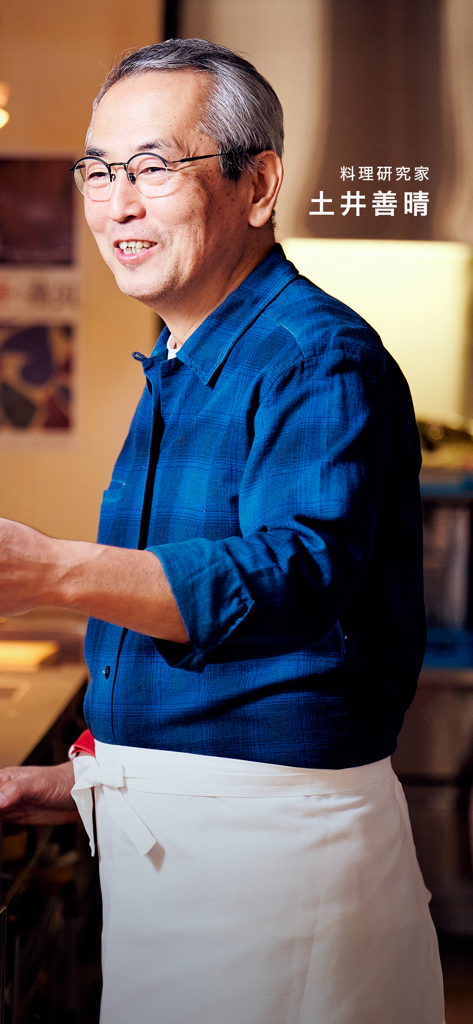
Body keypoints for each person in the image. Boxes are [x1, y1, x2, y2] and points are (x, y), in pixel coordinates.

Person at [0, 39, 445, 1024]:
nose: (116, 204)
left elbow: (293, 574)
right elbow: (215, 683)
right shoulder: (182, 358)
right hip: (190, 849)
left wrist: (52, 572)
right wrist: (86, 779)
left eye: (152, 167)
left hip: (271, 870)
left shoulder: (313, 355)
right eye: (98, 171)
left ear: (258, 184)